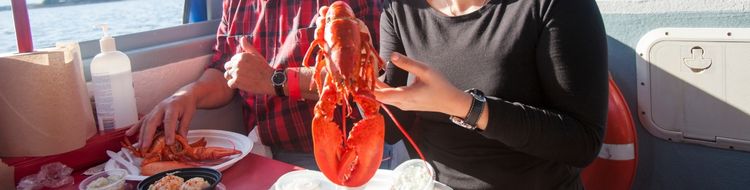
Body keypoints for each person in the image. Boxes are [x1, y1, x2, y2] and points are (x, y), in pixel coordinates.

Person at [125, 0, 407, 170]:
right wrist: (188, 95)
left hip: (345, 150)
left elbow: (372, 78)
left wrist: (275, 80)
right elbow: (227, 70)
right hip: (263, 152)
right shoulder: (235, 3)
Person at [374, 0, 608, 189]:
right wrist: (360, 79)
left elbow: (582, 142)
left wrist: (464, 106)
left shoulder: (556, 5)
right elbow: (391, 129)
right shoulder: (400, 9)